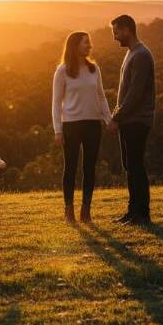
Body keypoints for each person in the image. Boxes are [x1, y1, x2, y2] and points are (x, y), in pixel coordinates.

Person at [51, 31, 113, 223]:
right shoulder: (62, 71)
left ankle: (86, 210)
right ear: (75, 45)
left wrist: (108, 119)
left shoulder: (94, 69)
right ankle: (68, 210)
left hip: (93, 124)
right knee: (70, 168)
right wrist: (58, 130)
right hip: (71, 125)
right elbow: (55, 103)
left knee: (89, 168)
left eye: (90, 43)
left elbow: (101, 97)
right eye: (86, 43)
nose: (90, 46)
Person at [107, 15, 156, 225]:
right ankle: (132, 211)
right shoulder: (132, 54)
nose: (115, 37)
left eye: (116, 32)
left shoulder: (141, 55)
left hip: (137, 120)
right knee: (130, 165)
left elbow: (134, 94)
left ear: (127, 30)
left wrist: (116, 117)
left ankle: (141, 213)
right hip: (129, 120)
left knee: (135, 165)